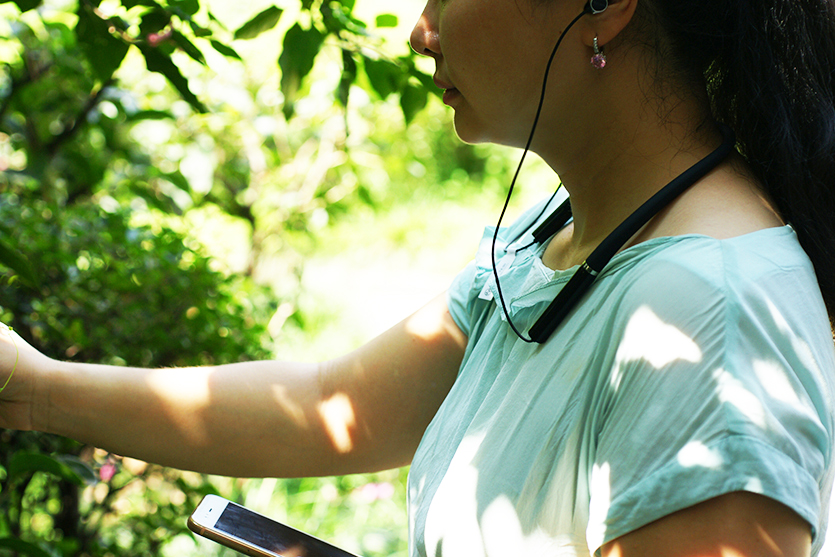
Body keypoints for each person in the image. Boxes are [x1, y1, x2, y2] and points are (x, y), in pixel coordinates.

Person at [1, 0, 835, 554]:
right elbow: (341, 408)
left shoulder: (711, 318)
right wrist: (33, 388)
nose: (418, 29)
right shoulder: (566, 234)